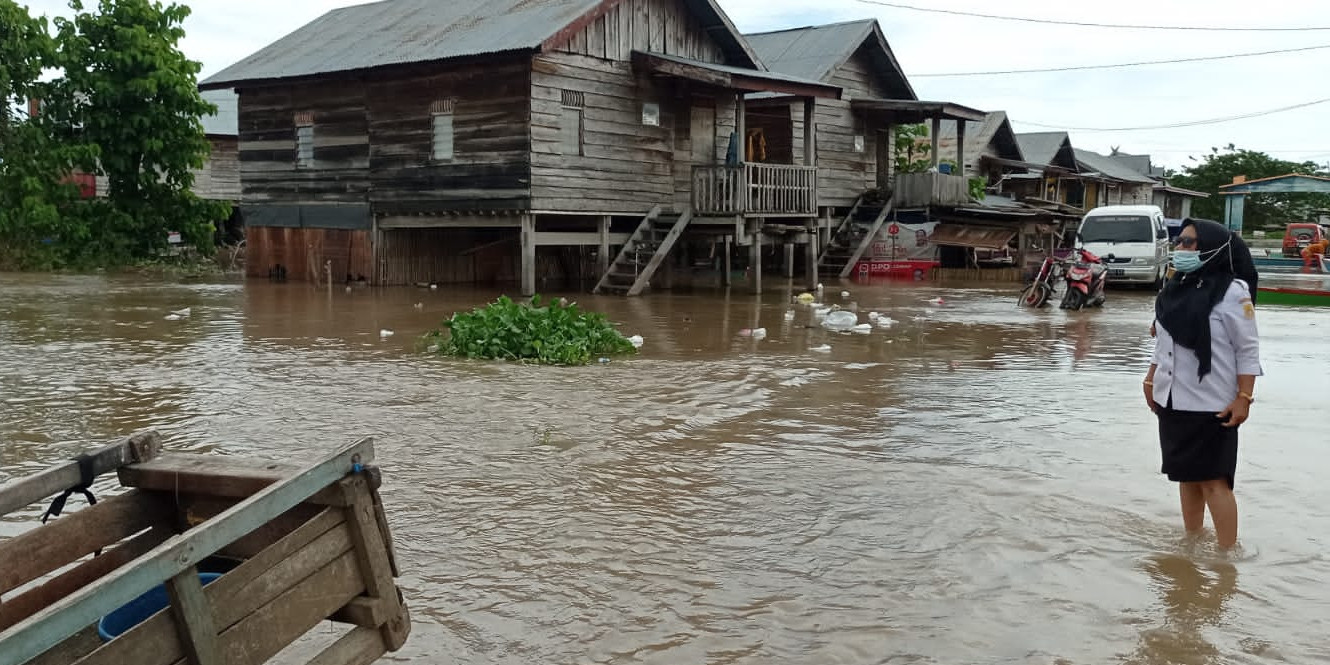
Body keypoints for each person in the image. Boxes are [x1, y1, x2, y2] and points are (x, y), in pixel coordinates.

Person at [1144, 218, 1262, 550]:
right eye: (1179, 241)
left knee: (1214, 481)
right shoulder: (1174, 288)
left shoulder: (1232, 292)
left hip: (1213, 403)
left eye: (1189, 242)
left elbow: (1247, 349)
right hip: (1172, 399)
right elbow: (1165, 341)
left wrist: (1244, 397)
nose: (1181, 248)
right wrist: (1151, 378)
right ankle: (1192, 541)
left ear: (1211, 248)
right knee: (1187, 477)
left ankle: (1227, 557)